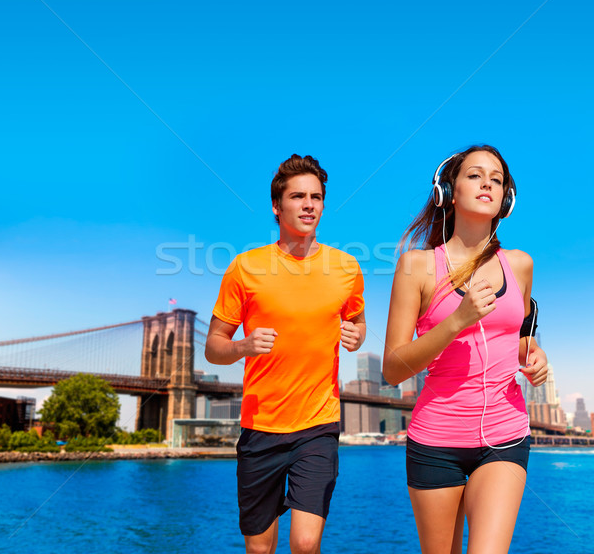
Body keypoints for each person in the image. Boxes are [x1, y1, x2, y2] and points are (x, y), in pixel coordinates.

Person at [383, 145, 548, 554]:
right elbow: (393, 369)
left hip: (505, 437)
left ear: (505, 200)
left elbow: (520, 332)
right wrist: (458, 319)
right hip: (436, 441)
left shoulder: (521, 265)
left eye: (497, 177)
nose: (488, 181)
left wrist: (533, 354)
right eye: (475, 174)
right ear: (449, 192)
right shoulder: (416, 267)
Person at [205, 154, 366, 554]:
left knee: (306, 542)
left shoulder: (346, 268)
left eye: (316, 197)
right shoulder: (245, 268)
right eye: (298, 196)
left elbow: (359, 324)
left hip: (318, 424)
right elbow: (213, 347)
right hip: (261, 427)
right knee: (260, 548)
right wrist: (243, 346)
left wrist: (356, 335)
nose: (309, 204)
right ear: (277, 207)